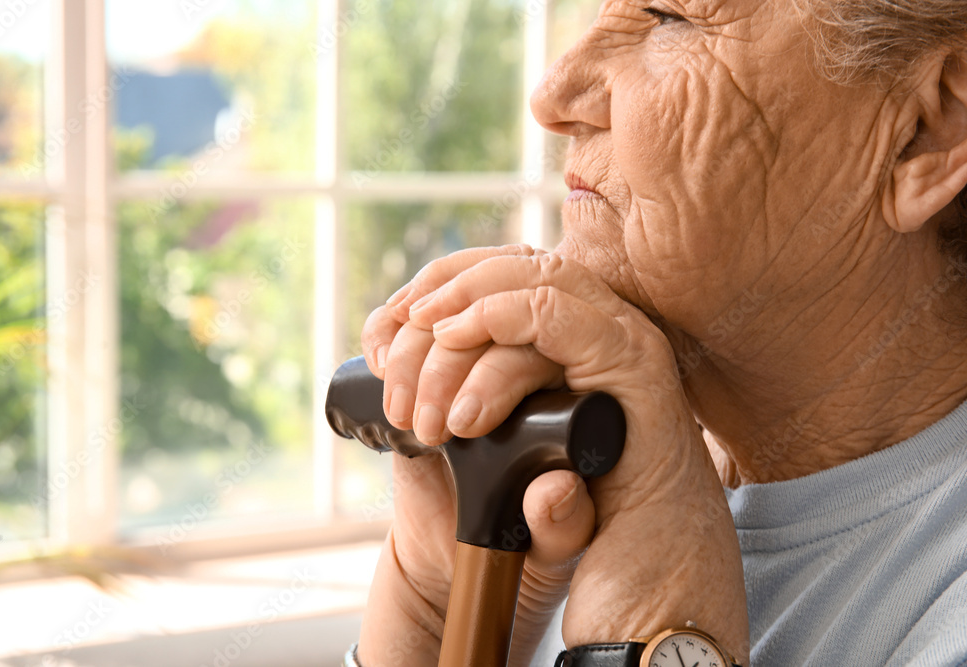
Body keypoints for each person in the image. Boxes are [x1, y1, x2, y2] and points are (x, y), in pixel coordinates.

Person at [348, 0, 967, 664]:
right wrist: (436, 616)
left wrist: (659, 631)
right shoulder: (555, 486)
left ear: (921, 134)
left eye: (668, 16)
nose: (554, 94)